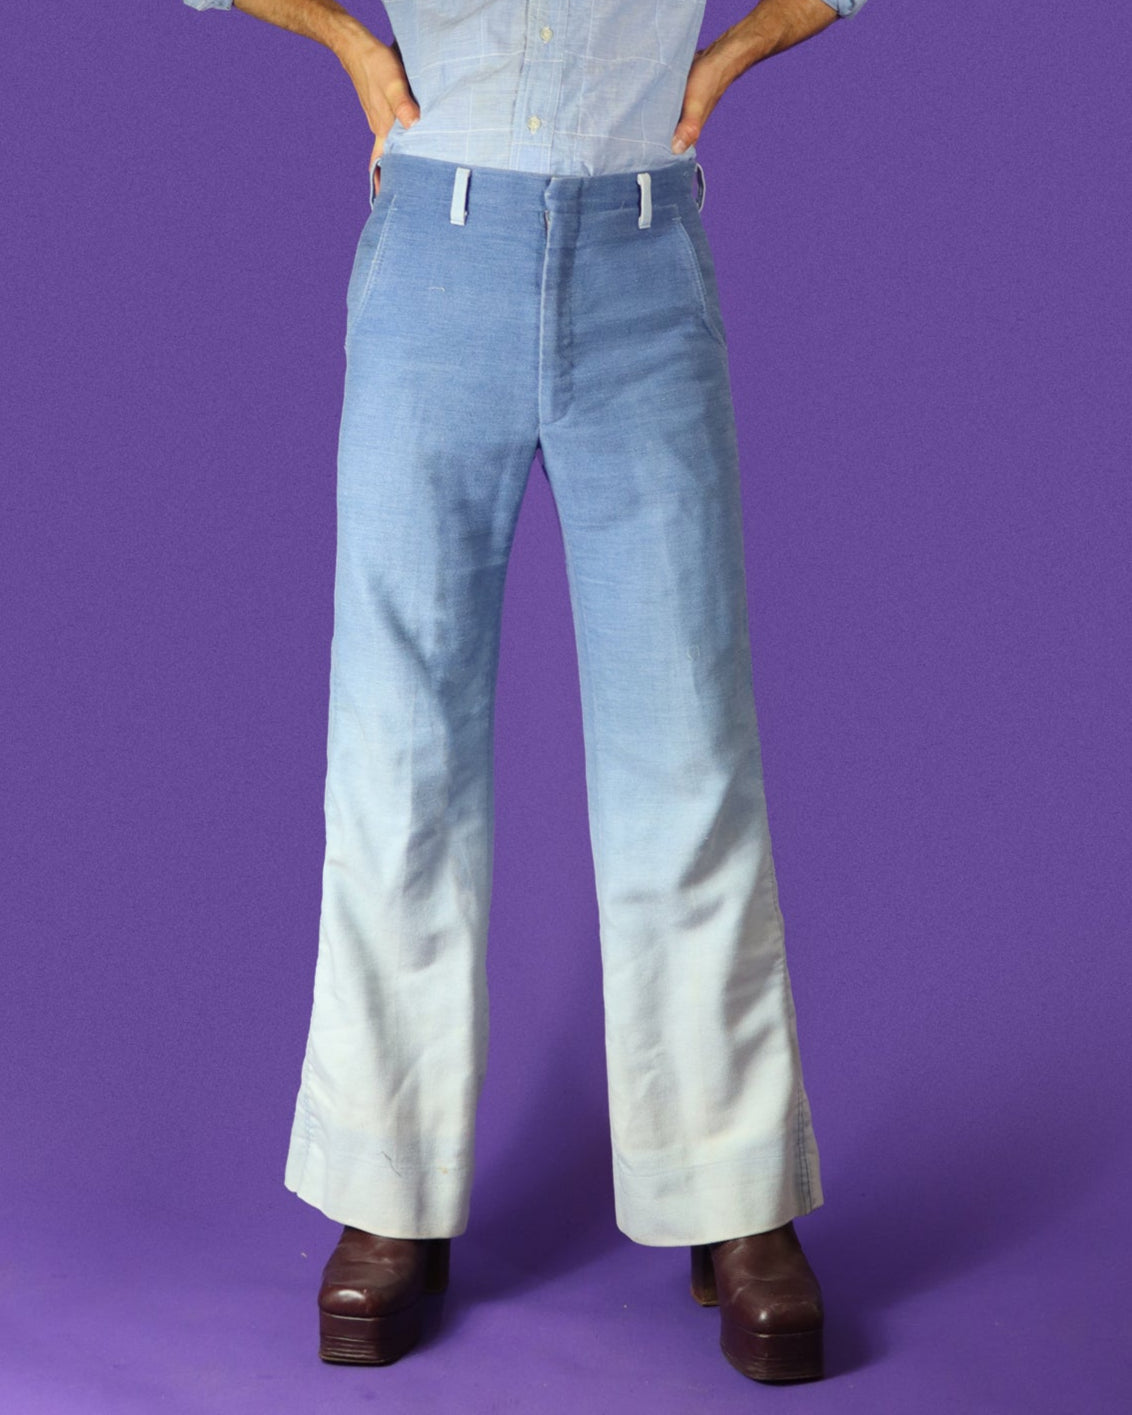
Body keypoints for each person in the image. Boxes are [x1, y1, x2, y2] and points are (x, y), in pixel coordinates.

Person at [184, 0, 867, 1385]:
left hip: (641, 260)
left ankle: (731, 1190)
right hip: (437, 261)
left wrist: (731, 54)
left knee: (687, 751)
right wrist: (348, 43)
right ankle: (386, 1186)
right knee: (400, 754)